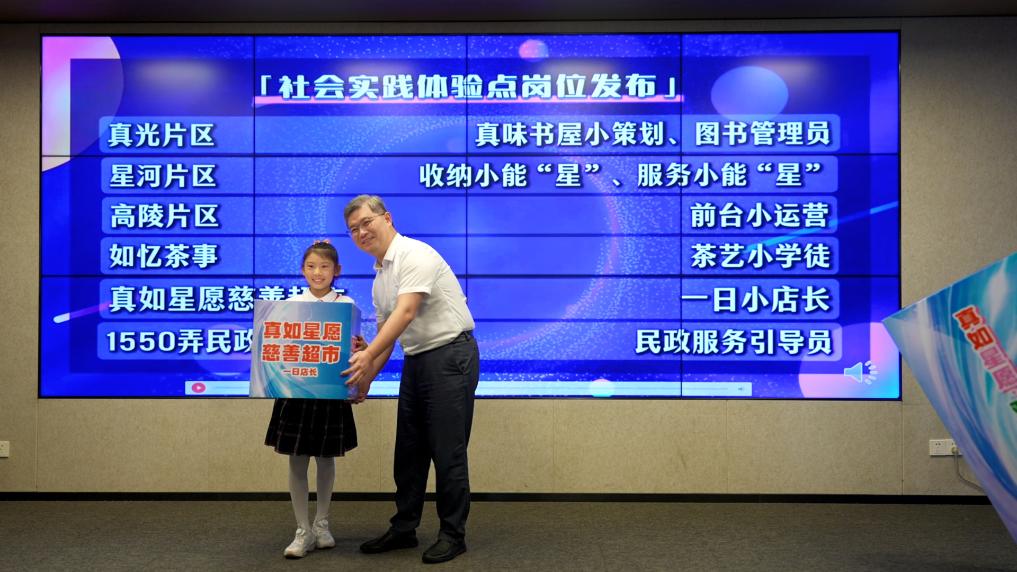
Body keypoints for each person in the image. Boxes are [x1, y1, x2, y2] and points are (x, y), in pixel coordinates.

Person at [341, 195, 480, 564]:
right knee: (409, 452)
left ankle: (453, 535)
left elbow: (405, 313)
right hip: (417, 360)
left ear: (387, 218)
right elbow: (387, 335)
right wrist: (365, 380)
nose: (361, 232)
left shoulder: (415, 254)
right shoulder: (380, 278)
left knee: (447, 452)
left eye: (366, 222)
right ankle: (404, 528)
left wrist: (367, 355)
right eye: (353, 229)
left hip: (451, 356)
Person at [264, 240, 362, 559]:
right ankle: (302, 529)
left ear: (337, 271)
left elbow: (356, 350)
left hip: (330, 394)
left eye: (324, 266)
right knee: (296, 459)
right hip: (296, 394)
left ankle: (321, 523)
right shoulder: (290, 305)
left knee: (326, 458)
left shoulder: (347, 305)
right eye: (311, 266)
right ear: (302, 270)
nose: (317, 272)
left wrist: (360, 348)